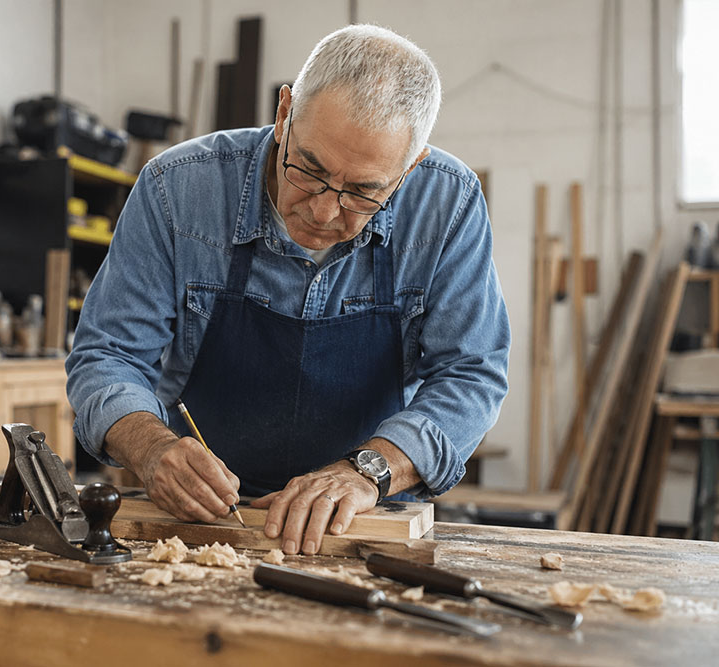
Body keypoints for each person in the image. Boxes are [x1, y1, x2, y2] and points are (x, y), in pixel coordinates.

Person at [66, 24, 510, 556]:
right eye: (309, 170)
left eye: (362, 193)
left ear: (409, 167)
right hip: (202, 523)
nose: (322, 211)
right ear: (284, 114)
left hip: (360, 521)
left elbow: (471, 372)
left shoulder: (448, 203)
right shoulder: (178, 189)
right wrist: (152, 448)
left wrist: (369, 470)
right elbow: (107, 354)